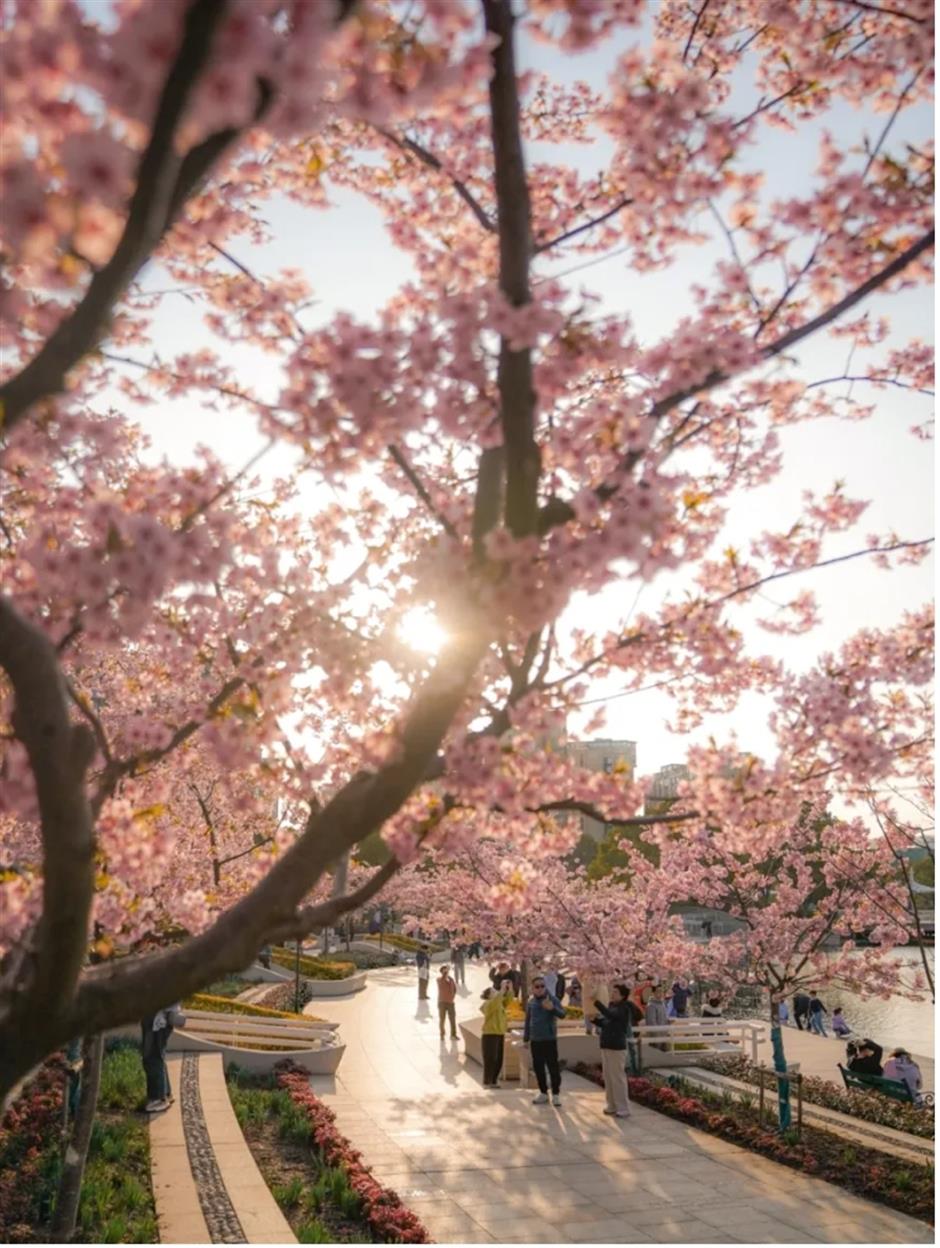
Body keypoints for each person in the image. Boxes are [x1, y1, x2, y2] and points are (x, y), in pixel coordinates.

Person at [523, 975, 566, 1106]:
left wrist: (551, 1008)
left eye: (542, 986)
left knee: (553, 1067)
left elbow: (563, 1014)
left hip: (549, 1039)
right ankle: (543, 1092)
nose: (540, 989)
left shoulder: (552, 999)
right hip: (536, 1040)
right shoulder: (531, 1002)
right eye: (537, 986)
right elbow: (528, 1020)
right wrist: (526, 1038)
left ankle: (556, 1094)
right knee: (538, 1068)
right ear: (533, 989)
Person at [592, 984, 632, 1118]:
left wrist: (596, 1002)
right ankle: (612, 1105)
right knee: (608, 1077)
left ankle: (623, 1107)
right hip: (606, 1045)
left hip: (617, 1047)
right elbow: (606, 1022)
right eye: (612, 991)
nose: (612, 994)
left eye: (615, 992)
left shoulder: (624, 1008)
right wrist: (596, 1021)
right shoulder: (612, 1006)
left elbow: (611, 1015)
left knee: (617, 1078)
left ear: (622, 996)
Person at [141, 1006, 178, 1113]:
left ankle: (158, 1098)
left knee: (152, 1057)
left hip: (157, 1019)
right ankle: (166, 1093)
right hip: (159, 1017)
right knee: (157, 1056)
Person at [480, 984, 513, 1087]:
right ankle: (488, 1081)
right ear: (489, 995)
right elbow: (495, 1002)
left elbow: (508, 1001)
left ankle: (494, 1080)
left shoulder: (499, 1004)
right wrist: (502, 990)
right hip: (490, 1034)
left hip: (499, 1033)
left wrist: (510, 989)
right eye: (493, 991)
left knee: (499, 1058)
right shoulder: (487, 1004)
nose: (496, 992)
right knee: (491, 1058)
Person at [644, 983, 670, 1051]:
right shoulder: (651, 1006)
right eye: (658, 991)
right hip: (655, 1038)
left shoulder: (662, 1004)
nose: (661, 993)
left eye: (662, 991)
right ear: (653, 993)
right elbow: (651, 1022)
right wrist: (658, 1037)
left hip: (664, 1035)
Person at [437, 965, 458, 1040]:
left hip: (450, 1002)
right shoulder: (439, 979)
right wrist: (445, 974)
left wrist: (452, 997)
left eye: (447, 971)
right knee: (442, 1019)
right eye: (444, 971)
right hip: (442, 1002)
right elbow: (443, 979)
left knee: (452, 1019)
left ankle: (453, 1034)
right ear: (442, 972)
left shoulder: (451, 979)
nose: (446, 972)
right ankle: (442, 1034)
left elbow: (455, 989)